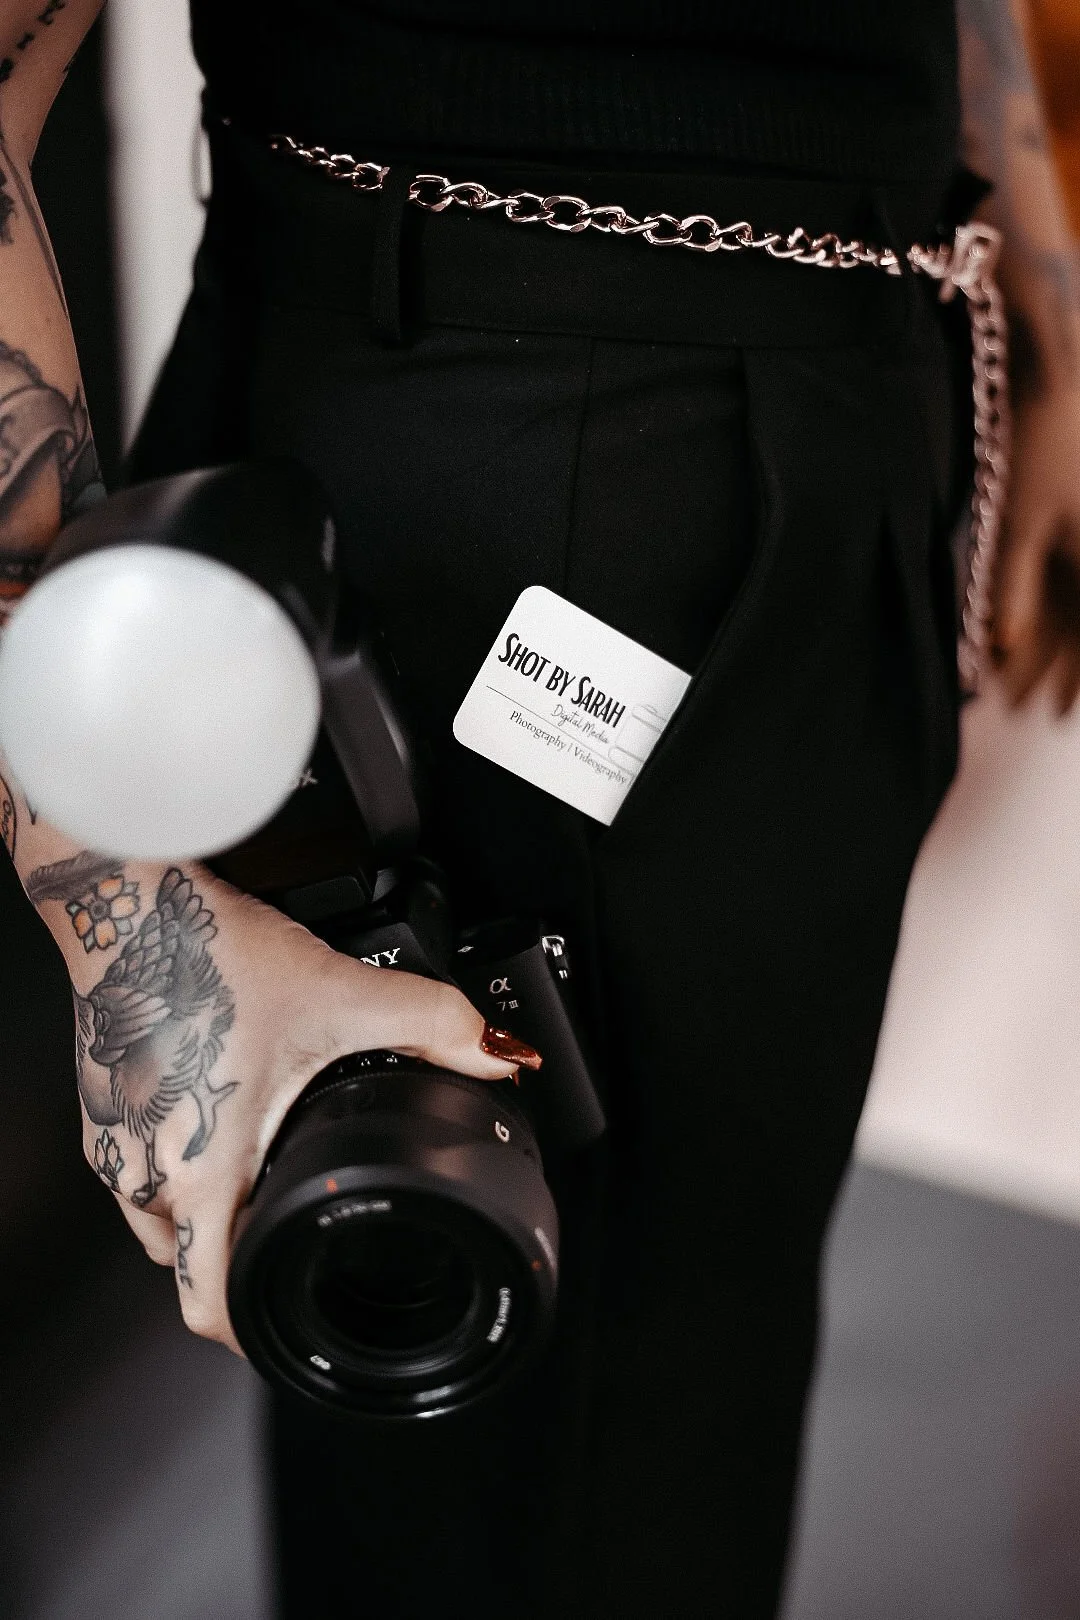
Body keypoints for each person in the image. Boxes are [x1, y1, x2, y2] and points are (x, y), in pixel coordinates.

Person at [1, 1, 1079, 1614]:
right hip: (482, 465)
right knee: (498, 1453)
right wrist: (122, 904)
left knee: (690, 1393)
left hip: (864, 361)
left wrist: (1028, 263)